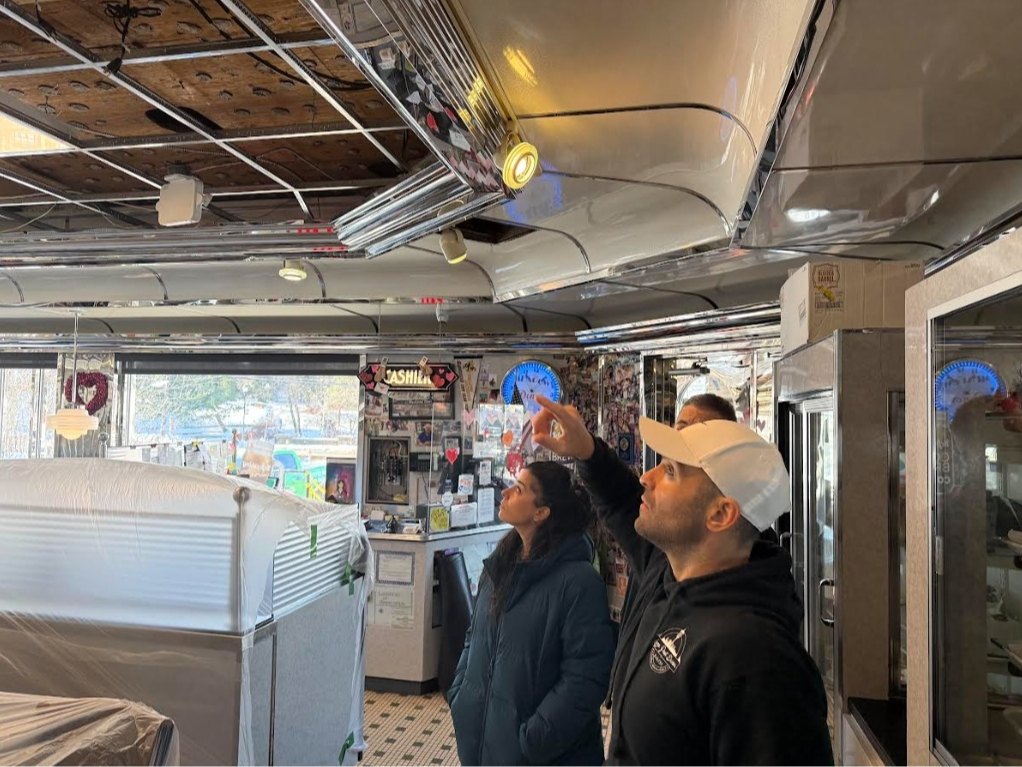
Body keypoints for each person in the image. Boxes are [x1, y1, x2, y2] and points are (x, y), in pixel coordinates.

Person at [532, 395, 833, 765]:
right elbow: (622, 502)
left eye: (671, 472)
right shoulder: (667, 571)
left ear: (721, 514)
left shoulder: (758, 663)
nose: (647, 477)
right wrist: (587, 451)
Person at [447, 461, 615, 766]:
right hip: (485, 746)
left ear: (541, 512)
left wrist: (531, 740)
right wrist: (462, 697)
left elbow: (585, 679)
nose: (506, 491)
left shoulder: (579, 583)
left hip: (543, 756)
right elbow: (475, 636)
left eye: (519, 489)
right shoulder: (499, 566)